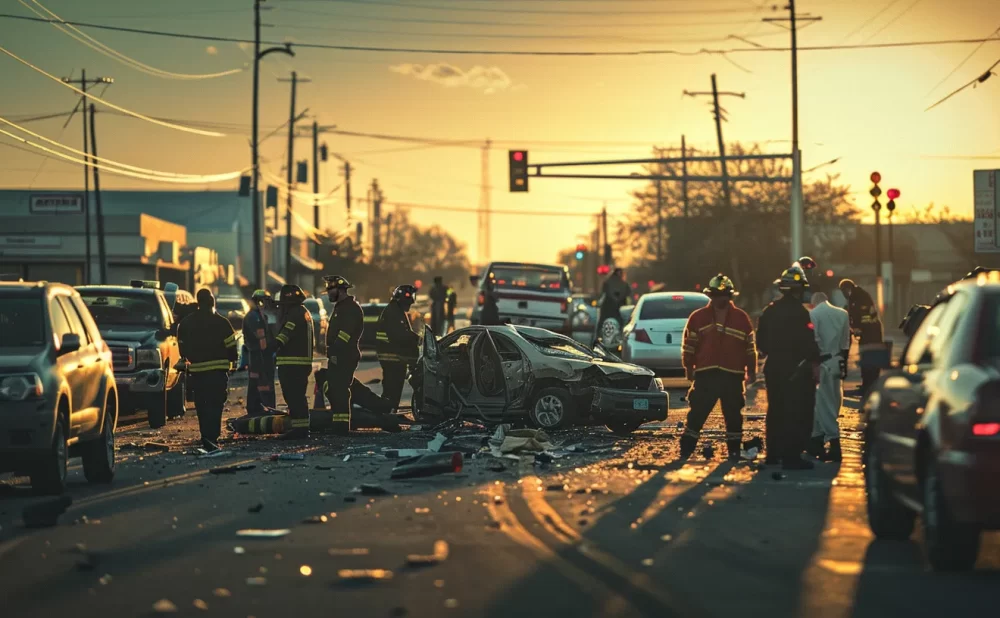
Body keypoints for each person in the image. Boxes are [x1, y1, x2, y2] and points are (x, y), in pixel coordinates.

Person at [679, 274, 758, 461]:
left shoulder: (741, 318)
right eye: (715, 295)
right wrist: (688, 367)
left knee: (733, 416)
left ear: (730, 296)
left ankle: (734, 451)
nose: (719, 299)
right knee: (697, 413)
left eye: (723, 295)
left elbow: (750, 348)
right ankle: (686, 449)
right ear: (710, 296)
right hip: (706, 374)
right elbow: (689, 345)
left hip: (733, 375)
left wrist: (752, 371)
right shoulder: (697, 318)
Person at [757, 266, 821, 470]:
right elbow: (809, 343)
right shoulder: (801, 313)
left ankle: (773, 454)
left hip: (774, 368)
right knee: (797, 412)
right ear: (799, 290)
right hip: (797, 370)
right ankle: (792, 456)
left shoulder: (769, 311)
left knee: (776, 411)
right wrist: (814, 362)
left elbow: (762, 343)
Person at [177, 289, 239, 452]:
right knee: (216, 403)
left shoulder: (187, 322)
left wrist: (189, 355)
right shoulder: (223, 322)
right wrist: (232, 360)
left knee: (202, 404)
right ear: (212, 302)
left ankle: (205, 435)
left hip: (198, 373)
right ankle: (213, 435)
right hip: (218, 373)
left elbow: (182, 346)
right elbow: (232, 348)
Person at [807, 292, 851, 462]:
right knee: (833, 400)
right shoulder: (843, 314)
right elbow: (845, 342)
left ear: (814, 302)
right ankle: (816, 440)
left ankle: (834, 443)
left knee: (822, 403)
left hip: (822, 363)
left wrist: (813, 365)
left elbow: (814, 340)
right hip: (837, 361)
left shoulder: (813, 314)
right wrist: (843, 363)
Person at [273, 284, 314, 440]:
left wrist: (271, 346)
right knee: (296, 396)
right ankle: (300, 428)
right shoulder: (302, 312)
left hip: (293, 364)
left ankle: (301, 430)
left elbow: (284, 336)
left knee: (294, 396)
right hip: (298, 363)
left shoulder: (295, 314)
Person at [324, 275, 364, 435]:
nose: (328, 294)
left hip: (344, 355)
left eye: (330, 290)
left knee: (340, 390)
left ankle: (341, 426)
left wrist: (335, 352)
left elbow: (345, 335)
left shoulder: (350, 309)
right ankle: (339, 424)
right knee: (334, 388)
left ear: (340, 290)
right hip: (339, 354)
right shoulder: (341, 307)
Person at [376, 284, 420, 410]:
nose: (409, 306)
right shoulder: (393, 312)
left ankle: (391, 413)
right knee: (392, 388)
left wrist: (418, 339)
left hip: (394, 357)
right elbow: (400, 335)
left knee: (394, 388)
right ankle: (388, 414)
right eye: (408, 303)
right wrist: (416, 340)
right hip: (392, 358)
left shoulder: (397, 310)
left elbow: (404, 333)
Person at [839, 278, 883, 397]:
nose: (843, 294)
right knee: (866, 359)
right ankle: (867, 384)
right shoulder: (855, 296)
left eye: (843, 291)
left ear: (848, 289)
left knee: (870, 359)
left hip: (871, 333)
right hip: (867, 332)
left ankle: (869, 386)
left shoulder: (859, 297)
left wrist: (857, 327)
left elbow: (862, 314)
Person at [241, 289, 277, 417]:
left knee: (263, 383)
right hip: (258, 357)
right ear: (260, 301)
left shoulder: (260, 315)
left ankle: (263, 407)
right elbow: (262, 340)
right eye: (266, 301)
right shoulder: (253, 317)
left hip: (261, 356)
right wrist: (268, 353)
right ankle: (257, 408)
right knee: (259, 383)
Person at [596, 268, 630, 345]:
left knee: (601, 323)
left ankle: (597, 338)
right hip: (619, 310)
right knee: (623, 324)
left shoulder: (607, 282)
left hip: (607, 309)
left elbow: (603, 294)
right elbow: (627, 294)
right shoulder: (624, 284)